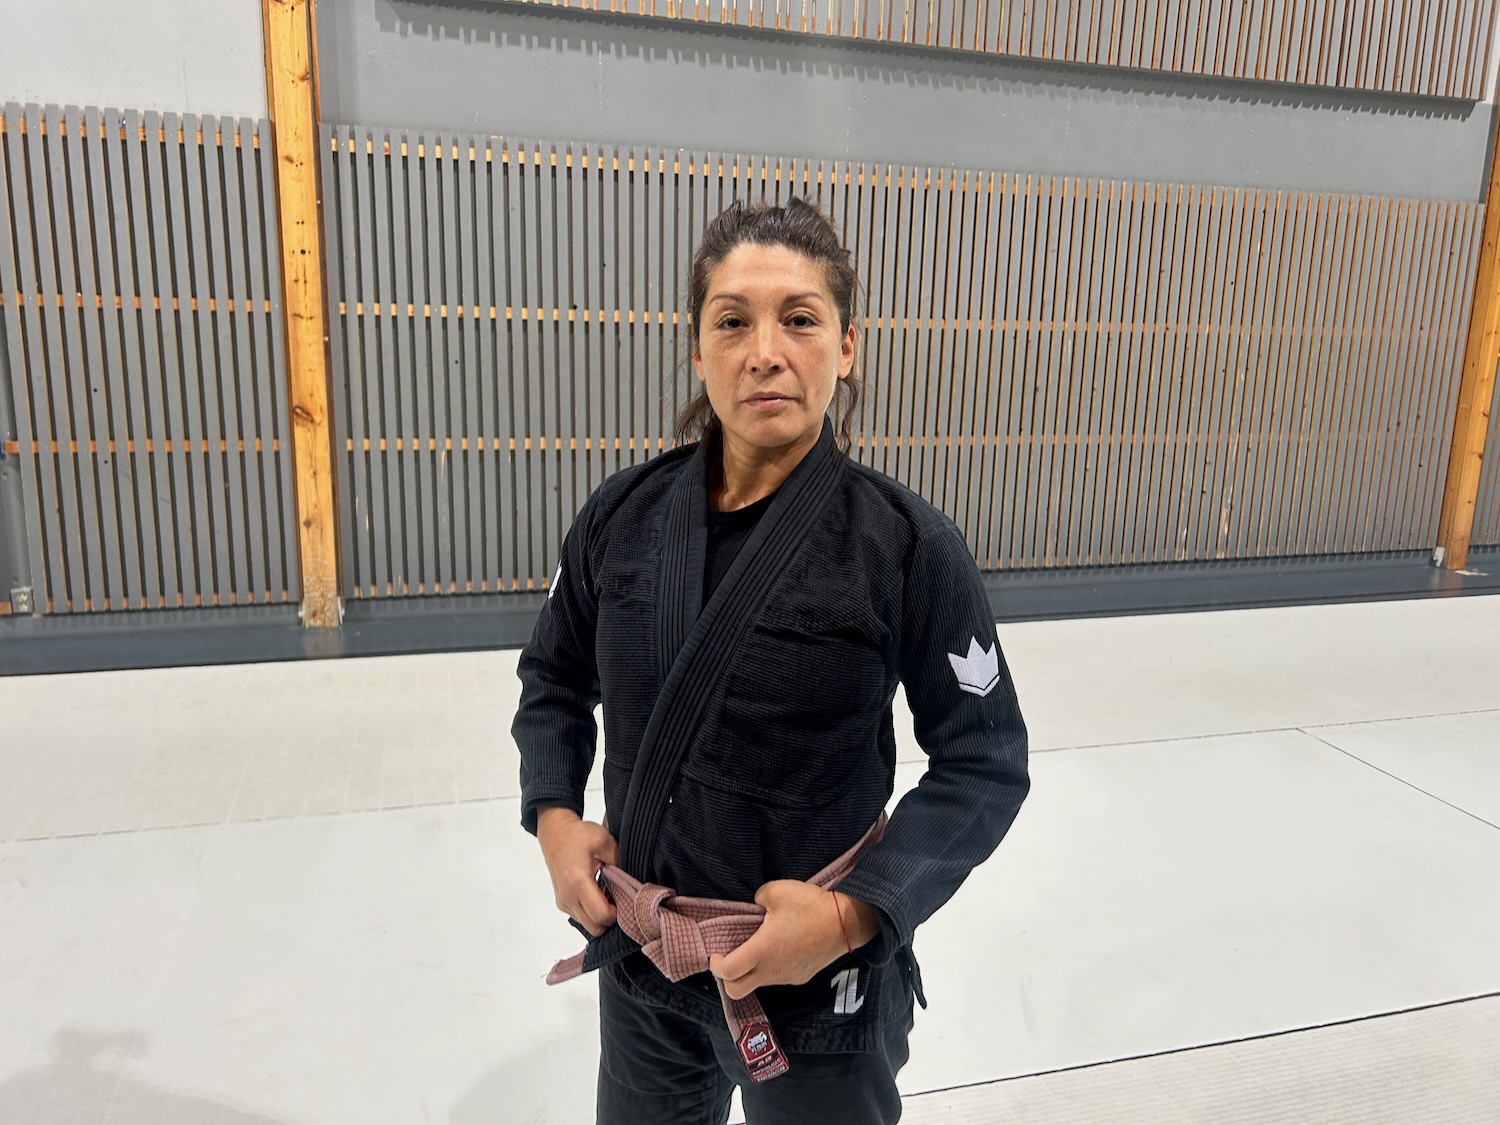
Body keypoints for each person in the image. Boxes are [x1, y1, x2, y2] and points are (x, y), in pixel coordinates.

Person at [513, 197, 1029, 1125]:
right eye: (732, 321)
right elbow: (552, 677)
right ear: (697, 348)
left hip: (816, 983)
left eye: (799, 318)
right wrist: (553, 814)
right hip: (646, 960)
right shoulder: (623, 517)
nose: (765, 351)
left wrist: (849, 916)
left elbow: (984, 762)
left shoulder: (905, 544)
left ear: (847, 345)